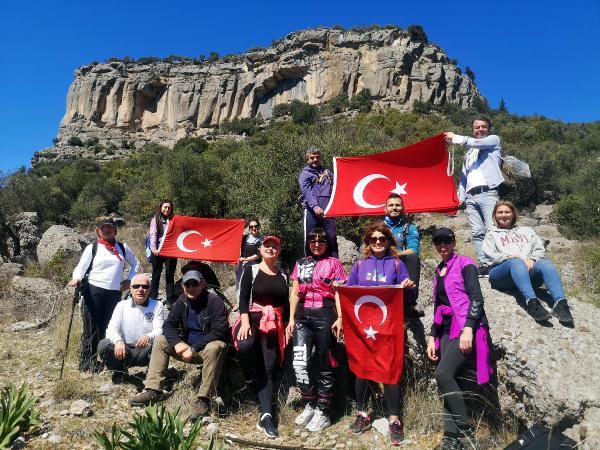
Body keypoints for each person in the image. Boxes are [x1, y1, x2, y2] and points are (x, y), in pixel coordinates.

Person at [346, 221, 416, 446]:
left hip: (388, 328)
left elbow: (405, 300)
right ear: (368, 242)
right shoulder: (359, 266)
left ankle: (394, 420)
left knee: (390, 371)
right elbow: (350, 294)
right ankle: (363, 414)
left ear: (388, 242)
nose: (377, 242)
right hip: (363, 329)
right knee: (362, 370)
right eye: (373, 239)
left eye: (382, 239)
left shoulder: (397, 265)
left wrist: (407, 287)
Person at [129, 270, 229, 421]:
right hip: (187, 348)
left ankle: (204, 400)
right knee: (161, 340)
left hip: (208, 350)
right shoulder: (182, 301)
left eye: (194, 283)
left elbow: (220, 331)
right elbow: (168, 325)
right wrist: (177, 343)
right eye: (186, 284)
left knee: (214, 346)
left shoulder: (214, 302)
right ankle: (153, 390)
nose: (190, 287)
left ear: (202, 284)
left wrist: (193, 348)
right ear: (182, 287)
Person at [426, 227, 492, 450]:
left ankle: (465, 429)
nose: (442, 245)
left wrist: (469, 329)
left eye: (446, 241)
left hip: (464, 327)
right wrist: (431, 337)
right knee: (448, 381)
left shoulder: (466, 263)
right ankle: (450, 439)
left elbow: (477, 298)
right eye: (438, 242)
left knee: (442, 374)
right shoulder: (439, 270)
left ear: (454, 242)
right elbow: (437, 306)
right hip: (445, 330)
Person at [286, 227, 346, 432]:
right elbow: (294, 292)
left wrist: (340, 317)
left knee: (325, 361)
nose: (317, 244)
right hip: (303, 315)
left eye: (321, 240)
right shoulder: (300, 263)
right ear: (308, 242)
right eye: (313, 240)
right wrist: (291, 319)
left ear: (327, 243)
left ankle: (323, 411)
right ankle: (310, 403)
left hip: (325, 313)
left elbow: (338, 292)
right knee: (300, 362)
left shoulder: (335, 263)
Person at [482, 200, 574, 325]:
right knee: (516, 262)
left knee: (546, 264)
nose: (503, 215)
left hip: (526, 273)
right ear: (495, 215)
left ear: (513, 214)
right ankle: (532, 303)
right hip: (502, 275)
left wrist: (532, 259)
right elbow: (490, 255)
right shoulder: (491, 234)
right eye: (500, 212)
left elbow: (539, 249)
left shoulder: (527, 231)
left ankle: (561, 304)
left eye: (507, 212)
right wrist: (507, 257)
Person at [233, 235, 289, 438]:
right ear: (260, 249)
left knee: (270, 365)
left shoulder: (283, 273)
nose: (271, 248)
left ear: (279, 251)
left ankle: (266, 416)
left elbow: (286, 304)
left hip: (274, 323)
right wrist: (245, 321)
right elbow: (242, 296)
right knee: (245, 345)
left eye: (275, 246)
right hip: (253, 317)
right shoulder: (251, 269)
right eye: (267, 245)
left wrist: (288, 325)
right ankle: (249, 379)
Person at [69, 217, 140, 373]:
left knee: (110, 327)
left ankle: (109, 359)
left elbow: (136, 264)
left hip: (114, 293)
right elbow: (81, 268)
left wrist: (129, 281)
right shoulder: (93, 247)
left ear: (114, 230)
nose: (106, 230)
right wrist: (77, 278)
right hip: (94, 290)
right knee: (92, 327)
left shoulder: (122, 247)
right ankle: (87, 363)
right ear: (98, 231)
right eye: (103, 228)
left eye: (109, 227)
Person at [445, 117, 504, 277]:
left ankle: (497, 264)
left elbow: (475, 143)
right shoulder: (469, 154)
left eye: (483, 127)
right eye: (477, 127)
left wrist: (455, 137)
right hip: (471, 197)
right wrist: (460, 198)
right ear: (473, 130)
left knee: (492, 229)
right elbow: (464, 178)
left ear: (489, 129)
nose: (480, 130)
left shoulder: (493, 141)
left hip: (488, 193)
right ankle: (484, 265)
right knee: (477, 232)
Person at [97, 273, 165, 383]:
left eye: (145, 286)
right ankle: (120, 372)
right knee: (103, 345)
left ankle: (152, 375)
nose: (140, 289)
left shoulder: (157, 305)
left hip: (145, 350)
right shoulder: (121, 305)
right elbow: (111, 329)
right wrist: (118, 341)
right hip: (125, 350)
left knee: (161, 344)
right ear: (130, 288)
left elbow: (159, 329)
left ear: (150, 289)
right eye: (136, 286)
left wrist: (148, 337)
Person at [383, 193, 423, 316]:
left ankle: (409, 302)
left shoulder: (409, 228)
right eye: (391, 205)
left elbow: (414, 250)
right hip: (381, 263)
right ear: (385, 209)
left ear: (402, 208)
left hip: (400, 264)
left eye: (397, 205)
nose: (394, 208)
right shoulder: (378, 227)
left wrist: (397, 254)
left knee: (413, 258)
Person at [298, 147, 338, 257]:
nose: (315, 159)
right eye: (312, 157)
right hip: (312, 211)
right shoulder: (305, 174)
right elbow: (306, 192)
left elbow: (337, 185)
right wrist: (315, 207)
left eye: (317, 157)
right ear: (307, 159)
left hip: (328, 211)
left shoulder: (327, 172)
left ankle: (334, 265)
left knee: (331, 239)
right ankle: (309, 265)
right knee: (310, 239)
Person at [148, 199, 177, 303]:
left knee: (170, 275)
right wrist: (154, 249)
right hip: (158, 251)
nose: (167, 209)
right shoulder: (156, 220)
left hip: (171, 251)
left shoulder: (174, 220)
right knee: (156, 275)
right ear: (161, 208)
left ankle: (170, 299)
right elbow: (153, 235)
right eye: (165, 207)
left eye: (169, 208)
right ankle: (153, 298)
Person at [236, 218, 263, 285]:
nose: (253, 228)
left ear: (259, 227)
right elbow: (235, 246)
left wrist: (246, 259)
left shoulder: (262, 240)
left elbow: (259, 254)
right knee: (240, 286)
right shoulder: (244, 238)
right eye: (251, 226)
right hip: (242, 267)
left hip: (255, 267)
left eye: (255, 226)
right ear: (249, 228)